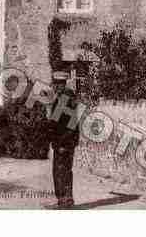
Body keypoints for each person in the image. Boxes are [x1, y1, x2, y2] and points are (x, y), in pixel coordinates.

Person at [49, 71, 80, 209]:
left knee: (60, 171)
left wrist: (61, 143)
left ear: (60, 84)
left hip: (63, 142)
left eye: (55, 84)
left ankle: (63, 201)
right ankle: (67, 200)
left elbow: (60, 123)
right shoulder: (68, 97)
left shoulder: (64, 98)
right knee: (65, 170)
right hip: (67, 141)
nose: (54, 87)